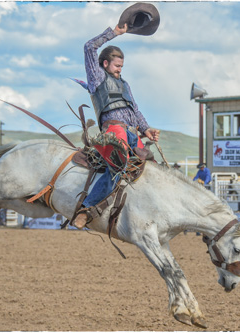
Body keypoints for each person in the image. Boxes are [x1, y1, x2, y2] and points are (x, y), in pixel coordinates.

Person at [72, 22, 160, 229]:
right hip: (114, 131)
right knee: (118, 165)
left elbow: (134, 109)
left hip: (132, 132)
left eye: (121, 66)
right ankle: (86, 209)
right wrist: (114, 33)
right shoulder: (97, 78)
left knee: (151, 167)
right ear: (104, 64)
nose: (120, 69)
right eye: (117, 66)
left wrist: (145, 128)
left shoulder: (125, 84)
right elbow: (88, 47)